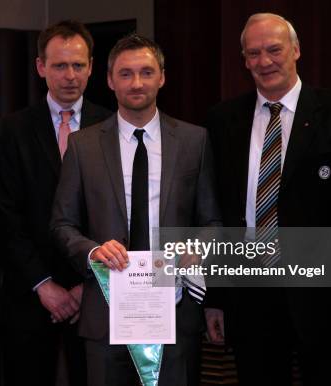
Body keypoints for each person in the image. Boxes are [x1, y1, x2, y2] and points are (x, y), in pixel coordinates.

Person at [204, 13, 331, 386]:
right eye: (253, 53)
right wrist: (215, 296)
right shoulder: (222, 120)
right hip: (249, 295)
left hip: (324, 298)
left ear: (296, 50)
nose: (264, 61)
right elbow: (217, 213)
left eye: (274, 49)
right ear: (244, 60)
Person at [50, 34, 220, 386]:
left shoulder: (194, 141)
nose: (137, 82)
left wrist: (197, 249)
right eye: (125, 74)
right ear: (110, 80)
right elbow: (62, 224)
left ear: (162, 77)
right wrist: (94, 251)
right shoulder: (83, 146)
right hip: (107, 313)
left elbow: (212, 221)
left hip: (174, 311)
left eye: (146, 72)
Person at [0, 20, 111, 386]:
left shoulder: (111, 126)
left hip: (95, 294)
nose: (70, 76)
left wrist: (84, 287)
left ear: (92, 67)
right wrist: (44, 285)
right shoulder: (13, 129)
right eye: (60, 65)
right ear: (41, 67)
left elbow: (117, 216)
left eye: (78, 65)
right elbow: (5, 215)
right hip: (31, 294)